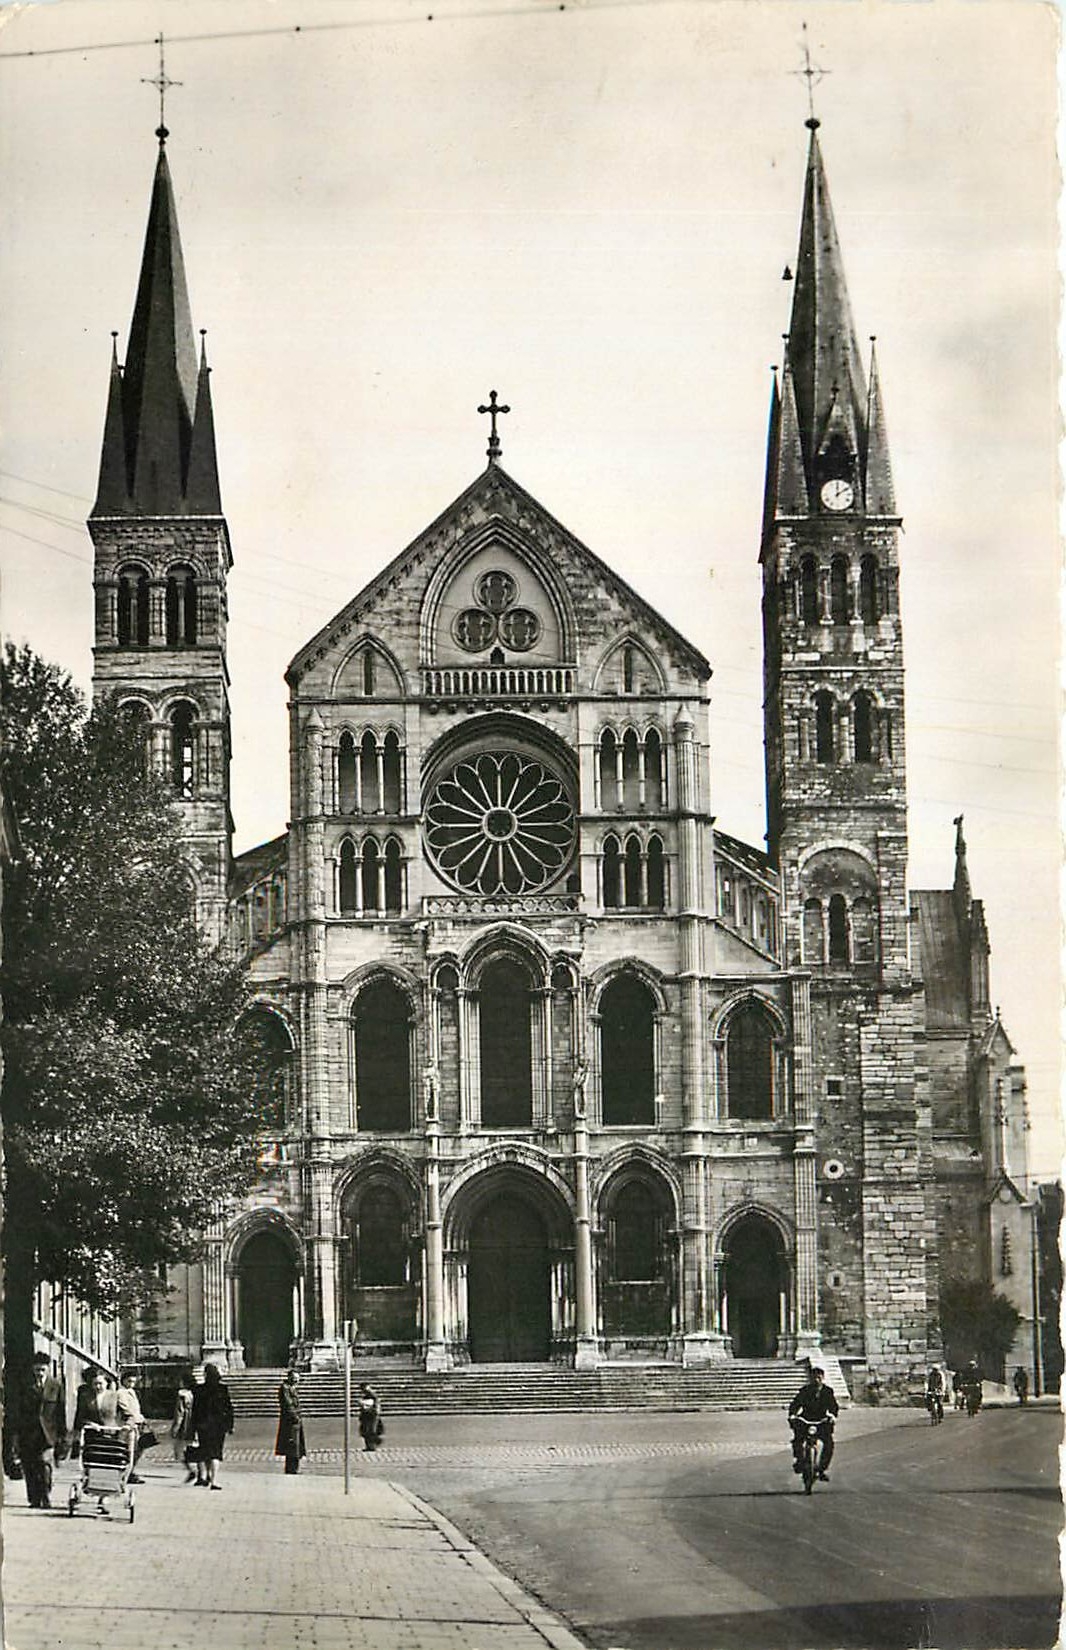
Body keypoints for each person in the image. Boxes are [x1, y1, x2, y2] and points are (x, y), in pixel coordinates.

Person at [15, 1352, 68, 1509]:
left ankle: (45, 1496)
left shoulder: (56, 1386)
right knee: (29, 1466)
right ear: (33, 1369)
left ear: (48, 1369)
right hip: (28, 1433)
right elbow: (18, 1411)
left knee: (45, 1465)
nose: (39, 1373)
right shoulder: (24, 1385)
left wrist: (62, 1436)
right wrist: (16, 1435)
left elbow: (60, 1412)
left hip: (48, 1434)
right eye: (37, 1370)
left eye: (42, 1370)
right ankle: (34, 1499)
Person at [788, 1364, 838, 1482]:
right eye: (814, 1377)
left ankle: (822, 1468)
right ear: (810, 1378)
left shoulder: (827, 1391)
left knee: (829, 1444)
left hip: (821, 1420)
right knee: (797, 1440)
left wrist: (832, 1415)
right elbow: (795, 1404)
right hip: (806, 1419)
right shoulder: (805, 1391)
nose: (816, 1380)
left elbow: (833, 1406)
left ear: (823, 1378)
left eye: (819, 1378)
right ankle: (800, 1460)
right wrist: (793, 1414)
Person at [191, 1362, 233, 1490]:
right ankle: (214, 1480)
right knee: (216, 1453)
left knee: (205, 1450)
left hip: (203, 1425)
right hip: (218, 1426)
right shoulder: (222, 1389)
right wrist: (230, 1425)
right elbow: (229, 1409)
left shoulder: (198, 1389)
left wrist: (194, 1425)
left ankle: (206, 1475)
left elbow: (195, 1410)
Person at [116, 1369, 147, 1482]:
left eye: (133, 1382)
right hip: (127, 1425)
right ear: (123, 1380)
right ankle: (126, 1472)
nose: (131, 1384)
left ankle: (131, 1470)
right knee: (129, 1449)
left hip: (136, 1424)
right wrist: (137, 1417)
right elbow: (126, 1409)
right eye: (129, 1381)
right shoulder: (121, 1392)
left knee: (137, 1449)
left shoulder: (131, 1392)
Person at [275, 1369, 307, 1475]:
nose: (297, 1381)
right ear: (290, 1378)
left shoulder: (291, 1388)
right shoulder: (285, 1388)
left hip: (295, 1420)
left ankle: (294, 1467)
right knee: (292, 1444)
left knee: (295, 1445)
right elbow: (288, 1404)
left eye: (298, 1379)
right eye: (295, 1379)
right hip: (290, 1421)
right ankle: (291, 1468)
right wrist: (295, 1416)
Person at [171, 1370, 196, 1479]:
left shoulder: (182, 1395)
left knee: (180, 1450)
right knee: (194, 1447)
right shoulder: (195, 1393)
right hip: (195, 1422)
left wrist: (175, 1428)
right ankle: (201, 1472)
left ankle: (191, 1470)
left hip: (185, 1424)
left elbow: (179, 1413)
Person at [357, 1383, 383, 1453]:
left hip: (371, 1415)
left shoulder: (372, 1395)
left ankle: (372, 1445)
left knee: (370, 1430)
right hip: (368, 1414)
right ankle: (369, 1446)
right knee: (366, 1430)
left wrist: (363, 1403)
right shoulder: (368, 1395)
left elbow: (374, 1405)